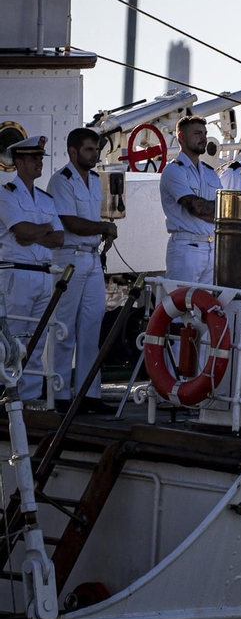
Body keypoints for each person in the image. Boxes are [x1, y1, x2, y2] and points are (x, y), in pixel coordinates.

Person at [46, 128, 116, 410]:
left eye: (96, 149)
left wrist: (103, 233)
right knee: (64, 328)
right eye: (89, 149)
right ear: (73, 152)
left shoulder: (95, 179)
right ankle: (60, 394)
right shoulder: (60, 181)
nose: (95, 154)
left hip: (91, 258)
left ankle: (89, 394)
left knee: (91, 328)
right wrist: (103, 227)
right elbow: (69, 222)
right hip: (69, 258)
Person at [0, 136, 63, 405]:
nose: (39, 162)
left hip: (42, 272)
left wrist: (34, 234)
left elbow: (59, 238)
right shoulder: (5, 194)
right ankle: (8, 396)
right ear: (19, 162)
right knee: (12, 339)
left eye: (40, 158)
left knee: (37, 340)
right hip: (16, 273)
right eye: (34, 158)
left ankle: (29, 398)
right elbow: (20, 231)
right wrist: (42, 230)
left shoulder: (46, 199)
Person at [159, 116, 222, 284]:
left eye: (204, 133)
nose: (203, 138)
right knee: (179, 305)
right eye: (197, 133)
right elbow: (195, 208)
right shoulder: (174, 171)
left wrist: (219, 210)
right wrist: (224, 209)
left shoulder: (210, 173)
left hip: (212, 248)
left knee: (207, 307)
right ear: (181, 137)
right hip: (185, 249)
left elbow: (220, 213)